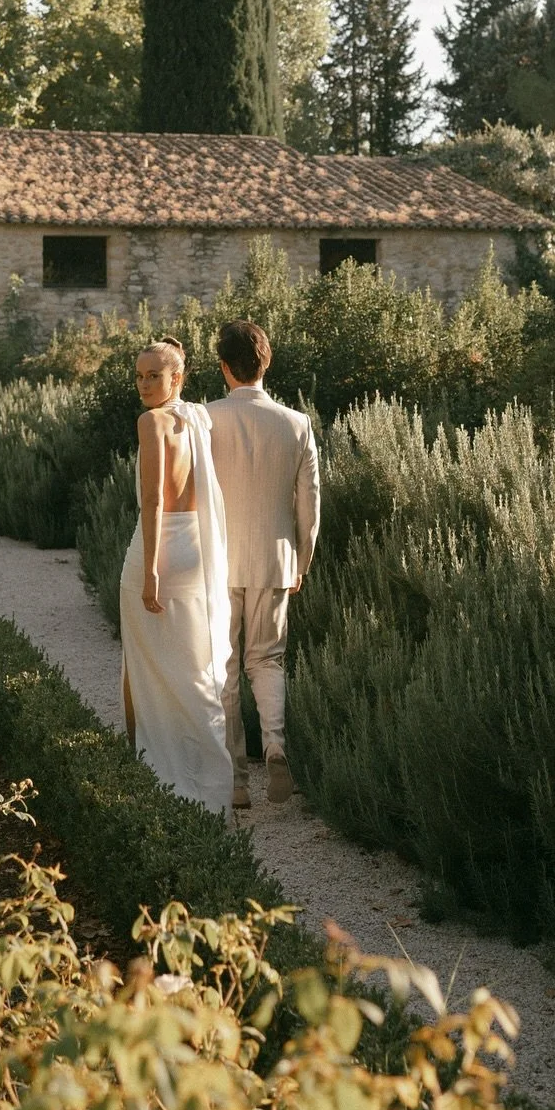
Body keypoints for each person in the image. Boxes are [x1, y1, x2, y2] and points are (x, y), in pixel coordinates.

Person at [119, 336, 235, 820]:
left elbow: (154, 500)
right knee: (193, 668)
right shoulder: (198, 421)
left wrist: (149, 570)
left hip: (161, 549)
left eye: (154, 376)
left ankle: (145, 770)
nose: (145, 385)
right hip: (198, 550)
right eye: (140, 376)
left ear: (177, 379)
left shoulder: (153, 422)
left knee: (140, 665)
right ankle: (211, 778)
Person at [207, 319, 320, 808]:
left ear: (224, 367)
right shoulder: (297, 423)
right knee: (267, 660)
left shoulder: (205, 419)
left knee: (224, 668)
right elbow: (309, 504)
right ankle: (274, 743)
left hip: (218, 561)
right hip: (275, 559)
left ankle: (235, 781)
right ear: (265, 363)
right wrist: (302, 558)